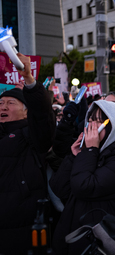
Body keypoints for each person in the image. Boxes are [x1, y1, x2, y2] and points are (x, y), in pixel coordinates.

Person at [50, 100, 115, 254]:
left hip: (100, 239)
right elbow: (60, 189)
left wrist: (90, 150)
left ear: (113, 126)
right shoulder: (89, 153)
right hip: (74, 231)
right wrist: (73, 157)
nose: (92, 126)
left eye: (99, 121)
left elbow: (84, 187)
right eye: (90, 120)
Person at [0, 53, 55, 254]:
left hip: (23, 223)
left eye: (10, 103)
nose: (3, 107)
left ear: (26, 111)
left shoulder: (32, 134)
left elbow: (42, 115)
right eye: (0, 103)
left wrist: (30, 81)